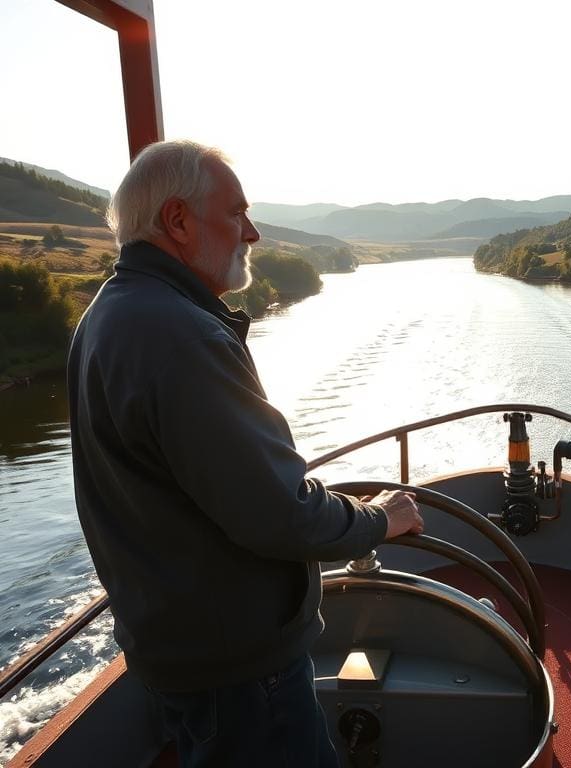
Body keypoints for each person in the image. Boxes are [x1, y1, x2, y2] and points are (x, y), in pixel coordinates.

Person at [67, 139, 424, 767]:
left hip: (178, 649)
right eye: (236, 213)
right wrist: (379, 519)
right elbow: (278, 512)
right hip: (237, 668)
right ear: (177, 221)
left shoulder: (109, 315)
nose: (253, 233)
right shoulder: (183, 335)